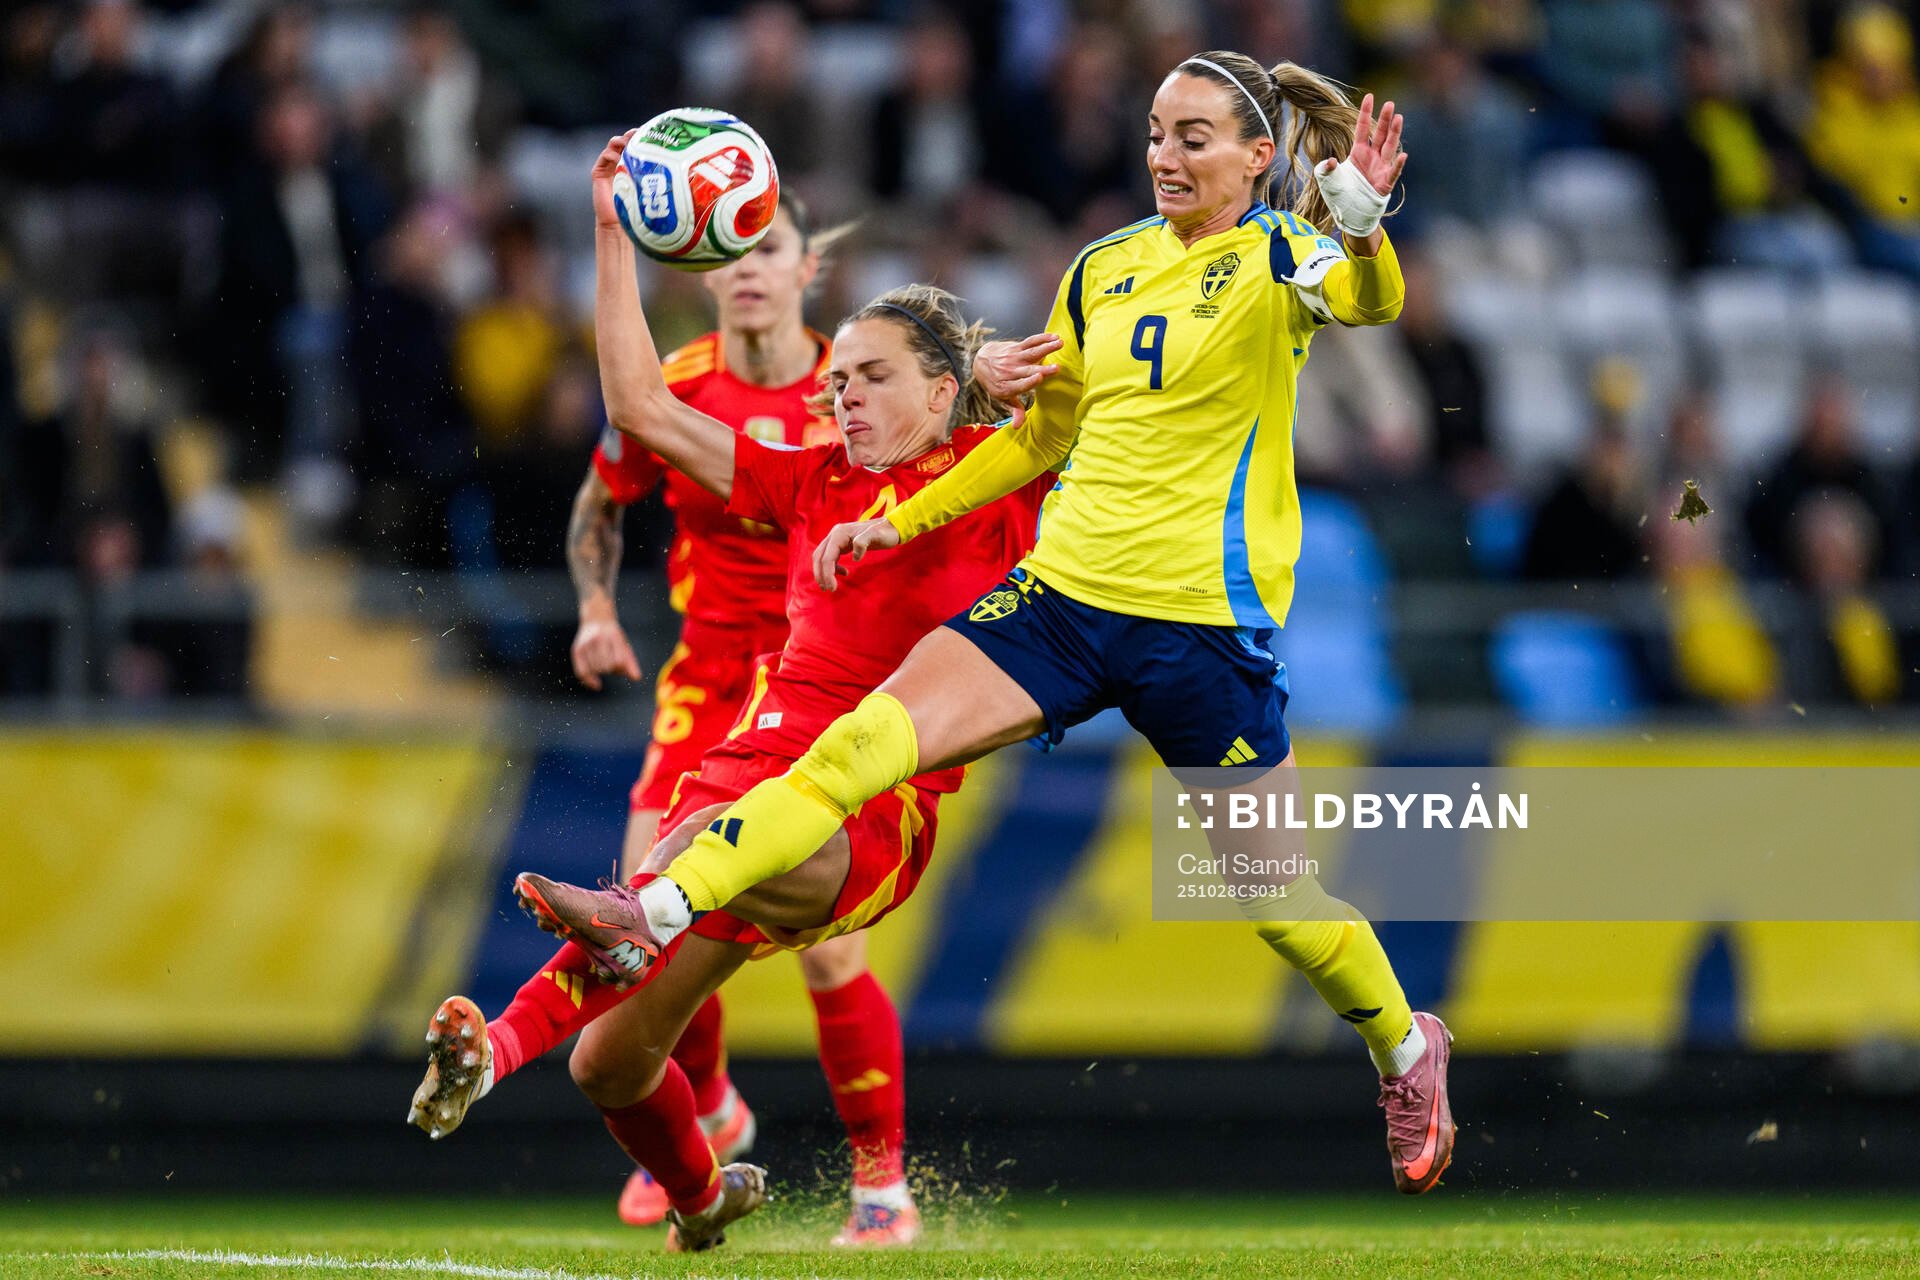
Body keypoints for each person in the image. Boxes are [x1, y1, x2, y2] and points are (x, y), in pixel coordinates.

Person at [520, 51, 1457, 1195]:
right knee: (858, 744)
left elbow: (1371, 301)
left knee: (1281, 903)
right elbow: (1038, 437)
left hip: (1201, 630)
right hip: (1063, 599)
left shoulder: (1281, 254)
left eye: (1194, 137)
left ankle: (1405, 1046)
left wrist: (1360, 222)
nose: (1165, 156)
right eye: (1155, 133)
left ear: (1260, 156)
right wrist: (898, 519)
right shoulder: (1103, 267)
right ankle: (651, 905)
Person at [407, 128, 1055, 1253]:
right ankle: (703, 1196)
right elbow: (639, 408)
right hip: (744, 752)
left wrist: (1013, 380)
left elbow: (1119, 384)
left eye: (872, 378)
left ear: (945, 386)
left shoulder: (999, 481)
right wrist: (610, 232)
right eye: (839, 382)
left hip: (867, 807)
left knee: (692, 857)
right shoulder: (809, 480)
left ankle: (869, 1180)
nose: (843, 397)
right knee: (609, 1062)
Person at [555, 193, 917, 1241]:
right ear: (706, 266)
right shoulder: (677, 381)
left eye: (774, 248)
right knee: (644, 907)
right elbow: (600, 499)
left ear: (809, 269)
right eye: (736, 250)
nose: (751, 267)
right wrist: (593, 609)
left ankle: (882, 1186)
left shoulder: (854, 387)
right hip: (709, 678)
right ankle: (709, 1109)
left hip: (823, 680)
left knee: (828, 952)